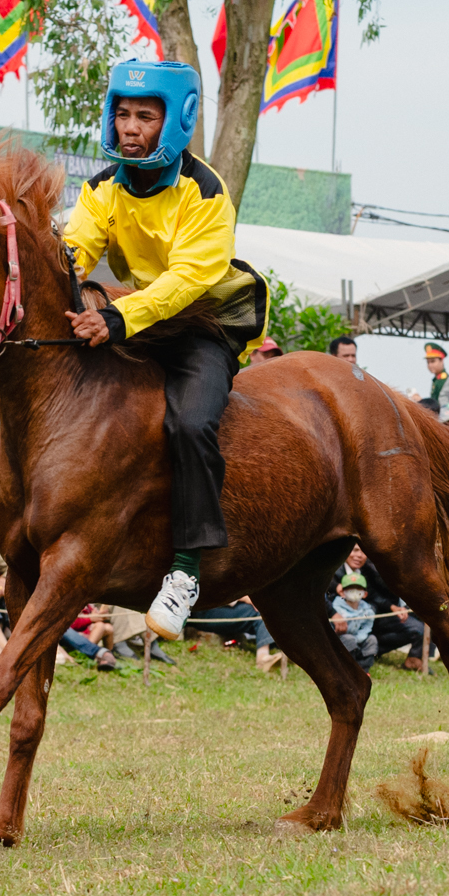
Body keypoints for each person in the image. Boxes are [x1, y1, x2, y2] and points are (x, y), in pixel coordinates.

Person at [62, 59, 267, 641]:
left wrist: (115, 317)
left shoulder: (206, 191)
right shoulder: (101, 187)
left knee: (191, 424)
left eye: (144, 117)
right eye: (122, 114)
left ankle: (185, 571)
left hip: (204, 324)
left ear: (176, 121)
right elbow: (75, 247)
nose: (130, 127)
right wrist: (56, 271)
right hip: (133, 317)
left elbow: (183, 282)